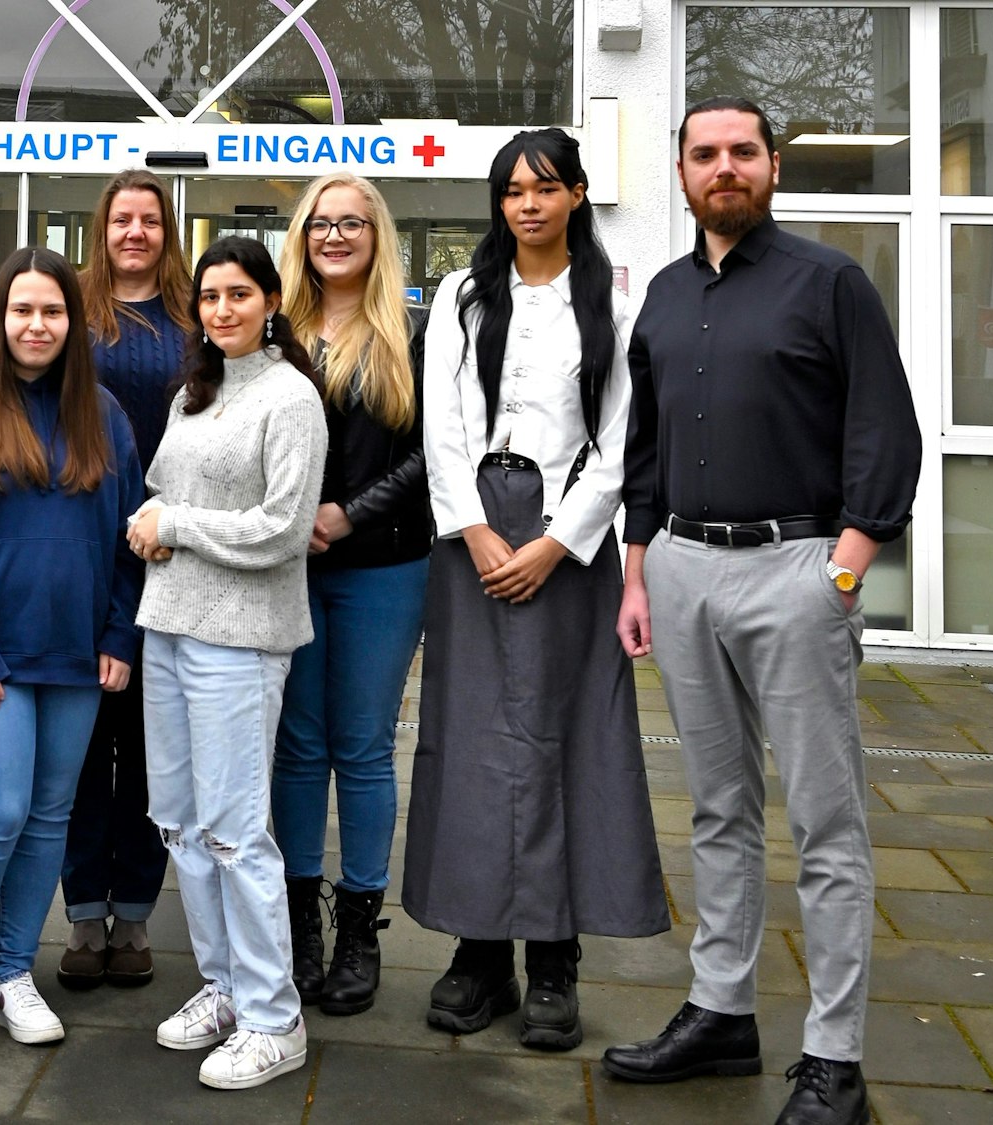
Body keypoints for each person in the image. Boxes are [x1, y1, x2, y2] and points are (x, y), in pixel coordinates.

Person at [602, 97, 921, 1125]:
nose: (723, 167)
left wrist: (847, 560)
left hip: (796, 570)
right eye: (704, 153)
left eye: (742, 151)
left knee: (825, 823)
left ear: (771, 165)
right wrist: (639, 570)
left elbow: (884, 422)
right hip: (684, 568)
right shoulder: (659, 293)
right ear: (682, 170)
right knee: (716, 809)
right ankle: (720, 1010)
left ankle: (833, 1059)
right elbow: (641, 446)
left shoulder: (827, 284)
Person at [406, 129, 668, 1053]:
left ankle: (555, 957)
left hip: (568, 539)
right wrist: (475, 528)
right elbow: (439, 419)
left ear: (578, 195)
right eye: (513, 190)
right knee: (475, 740)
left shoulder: (613, 303)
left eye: (546, 188)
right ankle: (481, 952)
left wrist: (557, 543)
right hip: (471, 525)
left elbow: (620, 439)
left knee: (566, 737)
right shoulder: (463, 295)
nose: (527, 205)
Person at [0, 246, 145, 1065]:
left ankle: (9, 971)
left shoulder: (103, 414)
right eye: (22, 310)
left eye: (52, 312)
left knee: (48, 819)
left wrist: (120, 634)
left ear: (73, 324)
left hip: (75, 656)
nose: (36, 325)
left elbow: (127, 538)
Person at [129, 236, 327, 1091]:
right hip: (167, 626)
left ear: (271, 299)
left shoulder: (290, 398)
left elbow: (284, 529)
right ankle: (225, 986)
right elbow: (162, 486)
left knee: (238, 830)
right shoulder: (191, 393)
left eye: (239, 293)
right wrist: (154, 512)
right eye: (209, 296)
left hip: (241, 637)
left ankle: (275, 1017)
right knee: (180, 818)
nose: (222, 309)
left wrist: (174, 527)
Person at [272, 172, 430, 1016]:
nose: (334, 236)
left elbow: (434, 455)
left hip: (384, 566)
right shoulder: (273, 330)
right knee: (298, 746)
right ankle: (299, 921)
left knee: (363, 745)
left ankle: (360, 927)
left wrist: (347, 515)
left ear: (376, 236)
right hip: (286, 570)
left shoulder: (414, 330)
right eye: (320, 223)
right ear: (302, 235)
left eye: (351, 224)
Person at [57, 169, 190, 991]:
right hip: (80, 546)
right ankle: (80, 916)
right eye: (121, 220)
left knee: (147, 748)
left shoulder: (190, 318)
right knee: (77, 747)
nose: (134, 232)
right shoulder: (71, 310)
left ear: (165, 231)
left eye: (148, 220)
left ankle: (134, 913)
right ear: (101, 230)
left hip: (173, 552)